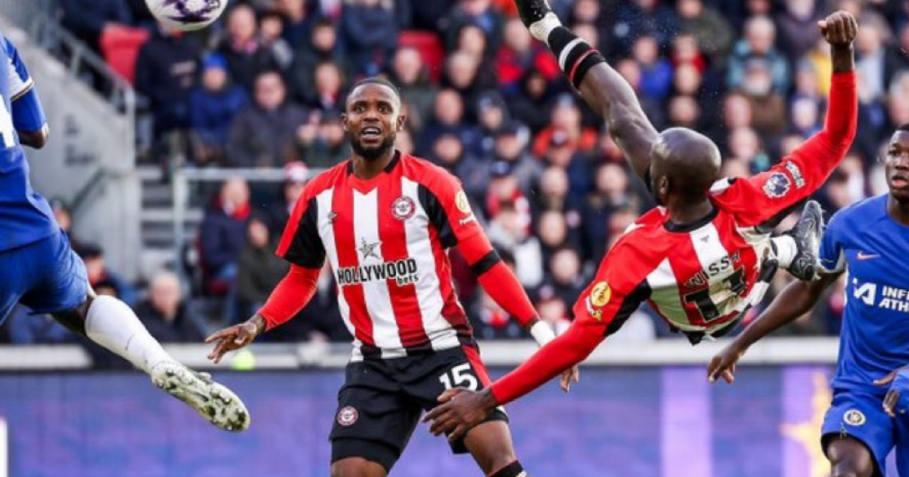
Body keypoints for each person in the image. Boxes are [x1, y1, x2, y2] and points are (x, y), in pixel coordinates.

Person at [423, 0, 859, 439]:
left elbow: (575, 345)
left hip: (709, 314)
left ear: (661, 186)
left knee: (626, 120)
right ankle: (547, 24)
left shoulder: (639, 254)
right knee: (627, 122)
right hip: (736, 270)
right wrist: (842, 60)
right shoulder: (746, 197)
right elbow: (836, 139)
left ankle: (788, 249)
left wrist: (484, 399)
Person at [205, 76, 570, 477]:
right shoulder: (317, 196)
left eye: (383, 108)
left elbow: (487, 263)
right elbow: (302, 278)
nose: (372, 115)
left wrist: (541, 333)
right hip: (373, 361)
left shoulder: (434, 184)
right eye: (361, 108)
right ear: (345, 122)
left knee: (500, 460)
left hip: (441, 349)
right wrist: (258, 323)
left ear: (400, 122)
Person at [0, 32, 249, 431]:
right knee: (84, 305)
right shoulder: (2, 44)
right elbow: (38, 133)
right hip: (35, 227)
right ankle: (156, 360)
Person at [708, 121, 909, 477]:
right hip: (863, 387)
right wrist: (741, 343)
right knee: (848, 467)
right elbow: (808, 289)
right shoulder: (851, 224)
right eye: (895, 153)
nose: (901, 162)